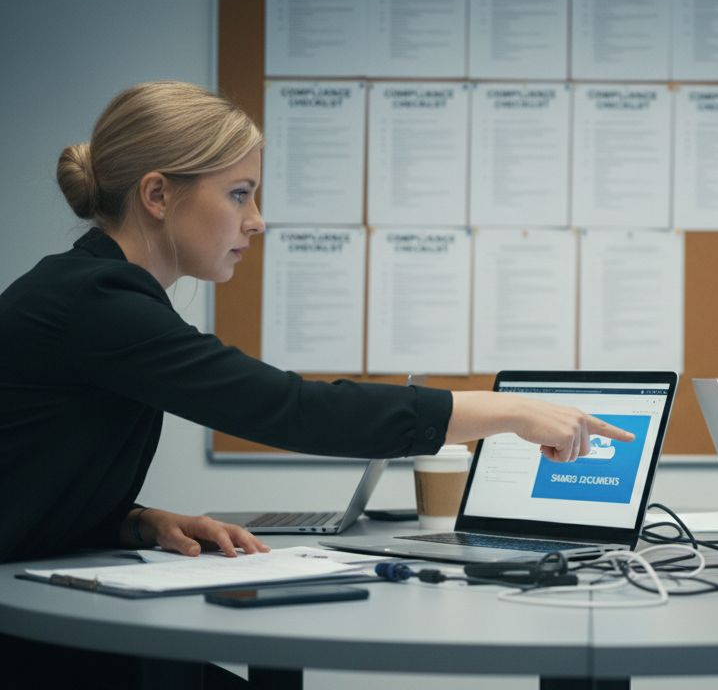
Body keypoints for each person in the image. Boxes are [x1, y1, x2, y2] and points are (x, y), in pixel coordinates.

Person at [0, 80, 633, 565]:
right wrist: (508, 411)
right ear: (158, 195)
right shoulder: (99, 303)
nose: (258, 221)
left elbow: (33, 468)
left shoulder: (94, 294)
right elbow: (290, 408)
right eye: (240, 194)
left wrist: (136, 520)